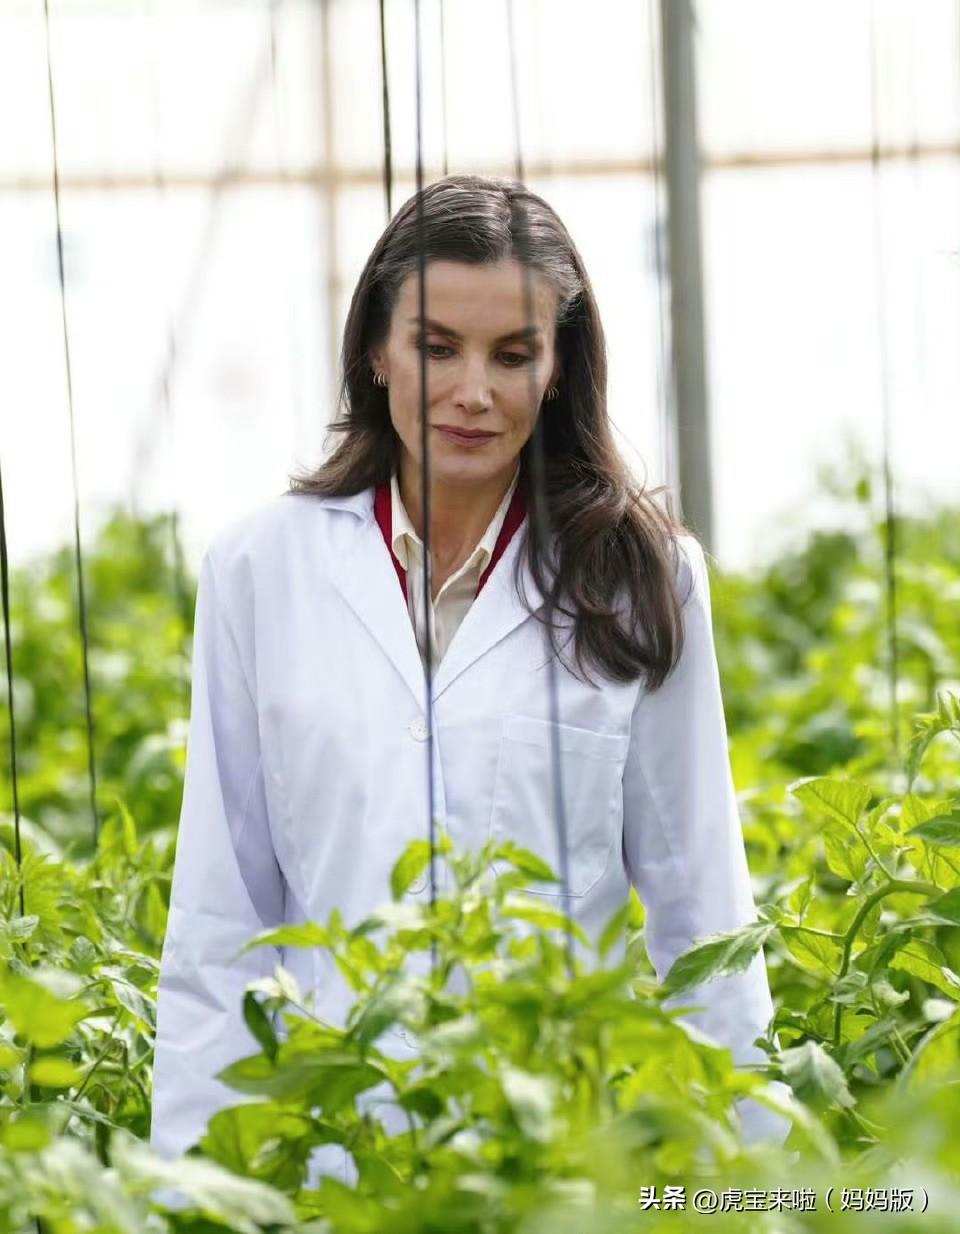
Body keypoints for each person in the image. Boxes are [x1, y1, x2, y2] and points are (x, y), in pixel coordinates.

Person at [149, 174, 791, 1181]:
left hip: (556, 1157)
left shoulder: (642, 578)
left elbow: (702, 910)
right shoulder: (260, 571)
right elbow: (220, 918)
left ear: (559, 367)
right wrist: (198, 1184)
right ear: (376, 351)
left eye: (513, 354)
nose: (474, 391)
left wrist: (755, 1191)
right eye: (437, 347)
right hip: (334, 1157)